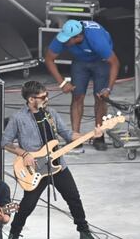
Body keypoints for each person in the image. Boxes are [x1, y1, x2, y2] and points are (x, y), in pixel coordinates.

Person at [2, 80, 102, 239]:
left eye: (46, 95)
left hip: (57, 165)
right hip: (35, 169)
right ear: (31, 99)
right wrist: (24, 154)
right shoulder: (18, 118)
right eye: (42, 96)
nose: (46, 98)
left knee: (74, 198)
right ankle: (14, 233)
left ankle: (84, 231)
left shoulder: (51, 114)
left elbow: (68, 134)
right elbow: (5, 142)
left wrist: (91, 135)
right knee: (28, 204)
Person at [44, 19, 119, 151]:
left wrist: (108, 88)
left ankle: (99, 135)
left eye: (68, 40)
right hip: (80, 62)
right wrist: (62, 83)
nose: (65, 42)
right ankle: (75, 136)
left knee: (100, 98)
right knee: (77, 96)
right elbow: (49, 59)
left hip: (100, 61)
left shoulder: (97, 40)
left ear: (78, 37)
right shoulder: (64, 36)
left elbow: (115, 63)